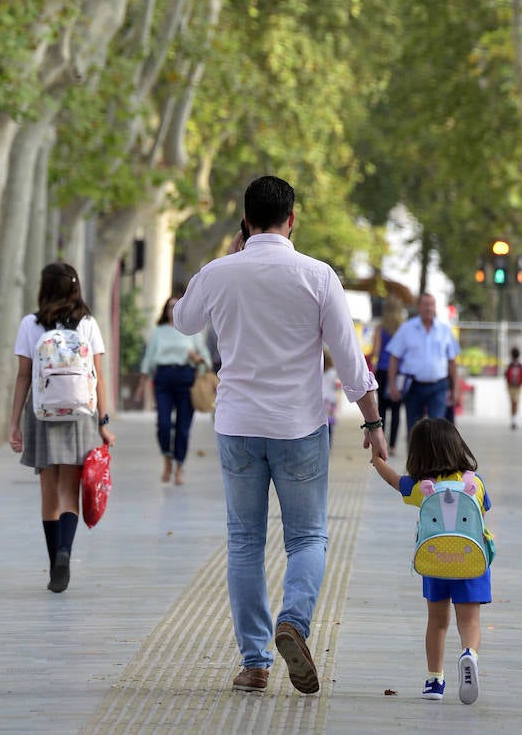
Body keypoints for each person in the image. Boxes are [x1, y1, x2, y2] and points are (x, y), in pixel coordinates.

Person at [172, 175, 387, 695]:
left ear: (245, 221)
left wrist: (221, 261)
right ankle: (294, 620)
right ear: (293, 218)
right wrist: (374, 423)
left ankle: (254, 662)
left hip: (238, 426)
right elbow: (351, 363)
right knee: (308, 537)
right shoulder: (318, 276)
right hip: (299, 426)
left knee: (245, 541)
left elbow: (182, 320)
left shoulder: (220, 272)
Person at [8, 262, 115, 592]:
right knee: (70, 491)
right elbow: (98, 377)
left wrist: (14, 424)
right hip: (80, 413)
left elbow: (24, 377)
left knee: (48, 492)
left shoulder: (31, 323)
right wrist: (104, 422)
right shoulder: (88, 323)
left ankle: (55, 560)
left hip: (42, 413)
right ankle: (66, 552)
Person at [371, 417, 492, 705]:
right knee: (470, 622)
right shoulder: (474, 483)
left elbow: (393, 480)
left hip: (435, 560)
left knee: (437, 622)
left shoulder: (421, 486)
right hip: (471, 560)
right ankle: (468, 655)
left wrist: (377, 460)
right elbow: (483, 513)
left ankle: (435, 680)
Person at [135, 294, 211, 486]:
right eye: (169, 306)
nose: (172, 310)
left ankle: (179, 467)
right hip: (163, 379)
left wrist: (198, 360)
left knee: (183, 428)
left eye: (176, 306)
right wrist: (141, 385)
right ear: (166, 310)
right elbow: (148, 359)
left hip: (186, 378)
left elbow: (205, 359)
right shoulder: (158, 332)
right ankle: (167, 459)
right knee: (163, 424)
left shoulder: (193, 332)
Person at [386, 293, 460, 438]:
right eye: (425, 304)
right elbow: (394, 358)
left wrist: (456, 388)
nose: (428, 308)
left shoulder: (444, 330)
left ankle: (436, 461)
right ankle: (416, 460)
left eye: (431, 304)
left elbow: (452, 362)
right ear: (419, 307)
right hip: (414, 386)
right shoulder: (407, 329)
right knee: (414, 430)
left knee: (438, 430)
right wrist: (393, 385)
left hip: (438, 387)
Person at [371, 304, 403, 456]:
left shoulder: (380, 328)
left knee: (382, 408)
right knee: (396, 409)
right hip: (399, 371)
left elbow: (376, 351)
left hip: (383, 370)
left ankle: (381, 441)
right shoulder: (402, 328)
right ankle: (392, 446)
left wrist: (370, 357)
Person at [321, 350, 341, 447]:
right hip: (331, 400)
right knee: (330, 422)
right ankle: (329, 442)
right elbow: (337, 385)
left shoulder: (317, 372)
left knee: (321, 422)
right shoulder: (333, 372)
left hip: (321, 399)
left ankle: (322, 442)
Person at [504, 347, 522, 430]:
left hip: (511, 387)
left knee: (513, 403)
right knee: (515, 403)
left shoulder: (510, 365)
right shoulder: (520, 365)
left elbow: (505, 375)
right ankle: (514, 420)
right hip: (518, 387)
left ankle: (513, 420)